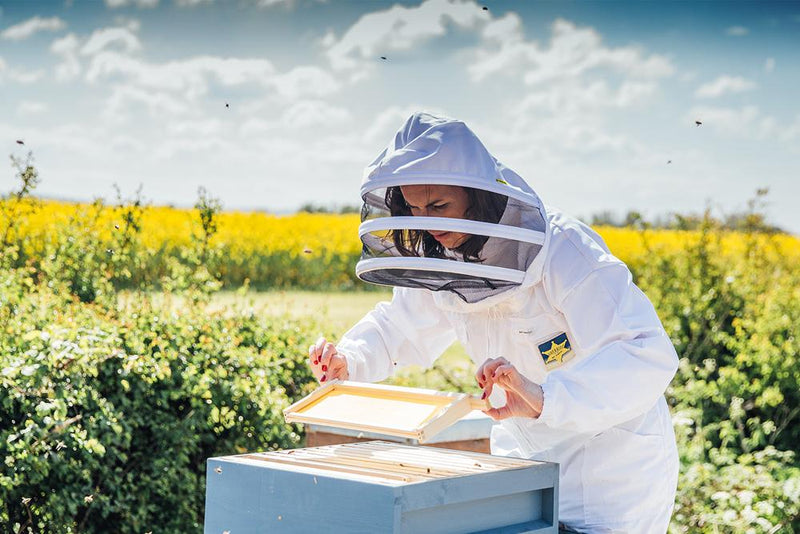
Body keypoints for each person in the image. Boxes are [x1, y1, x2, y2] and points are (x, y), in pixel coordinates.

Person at [307, 112, 679, 533]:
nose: (428, 221)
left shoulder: (565, 251)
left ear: (477, 196)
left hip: (609, 473)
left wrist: (544, 397)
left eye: (440, 206)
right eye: (414, 208)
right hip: (523, 460)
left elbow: (645, 353)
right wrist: (350, 360)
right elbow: (399, 326)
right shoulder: (440, 254)